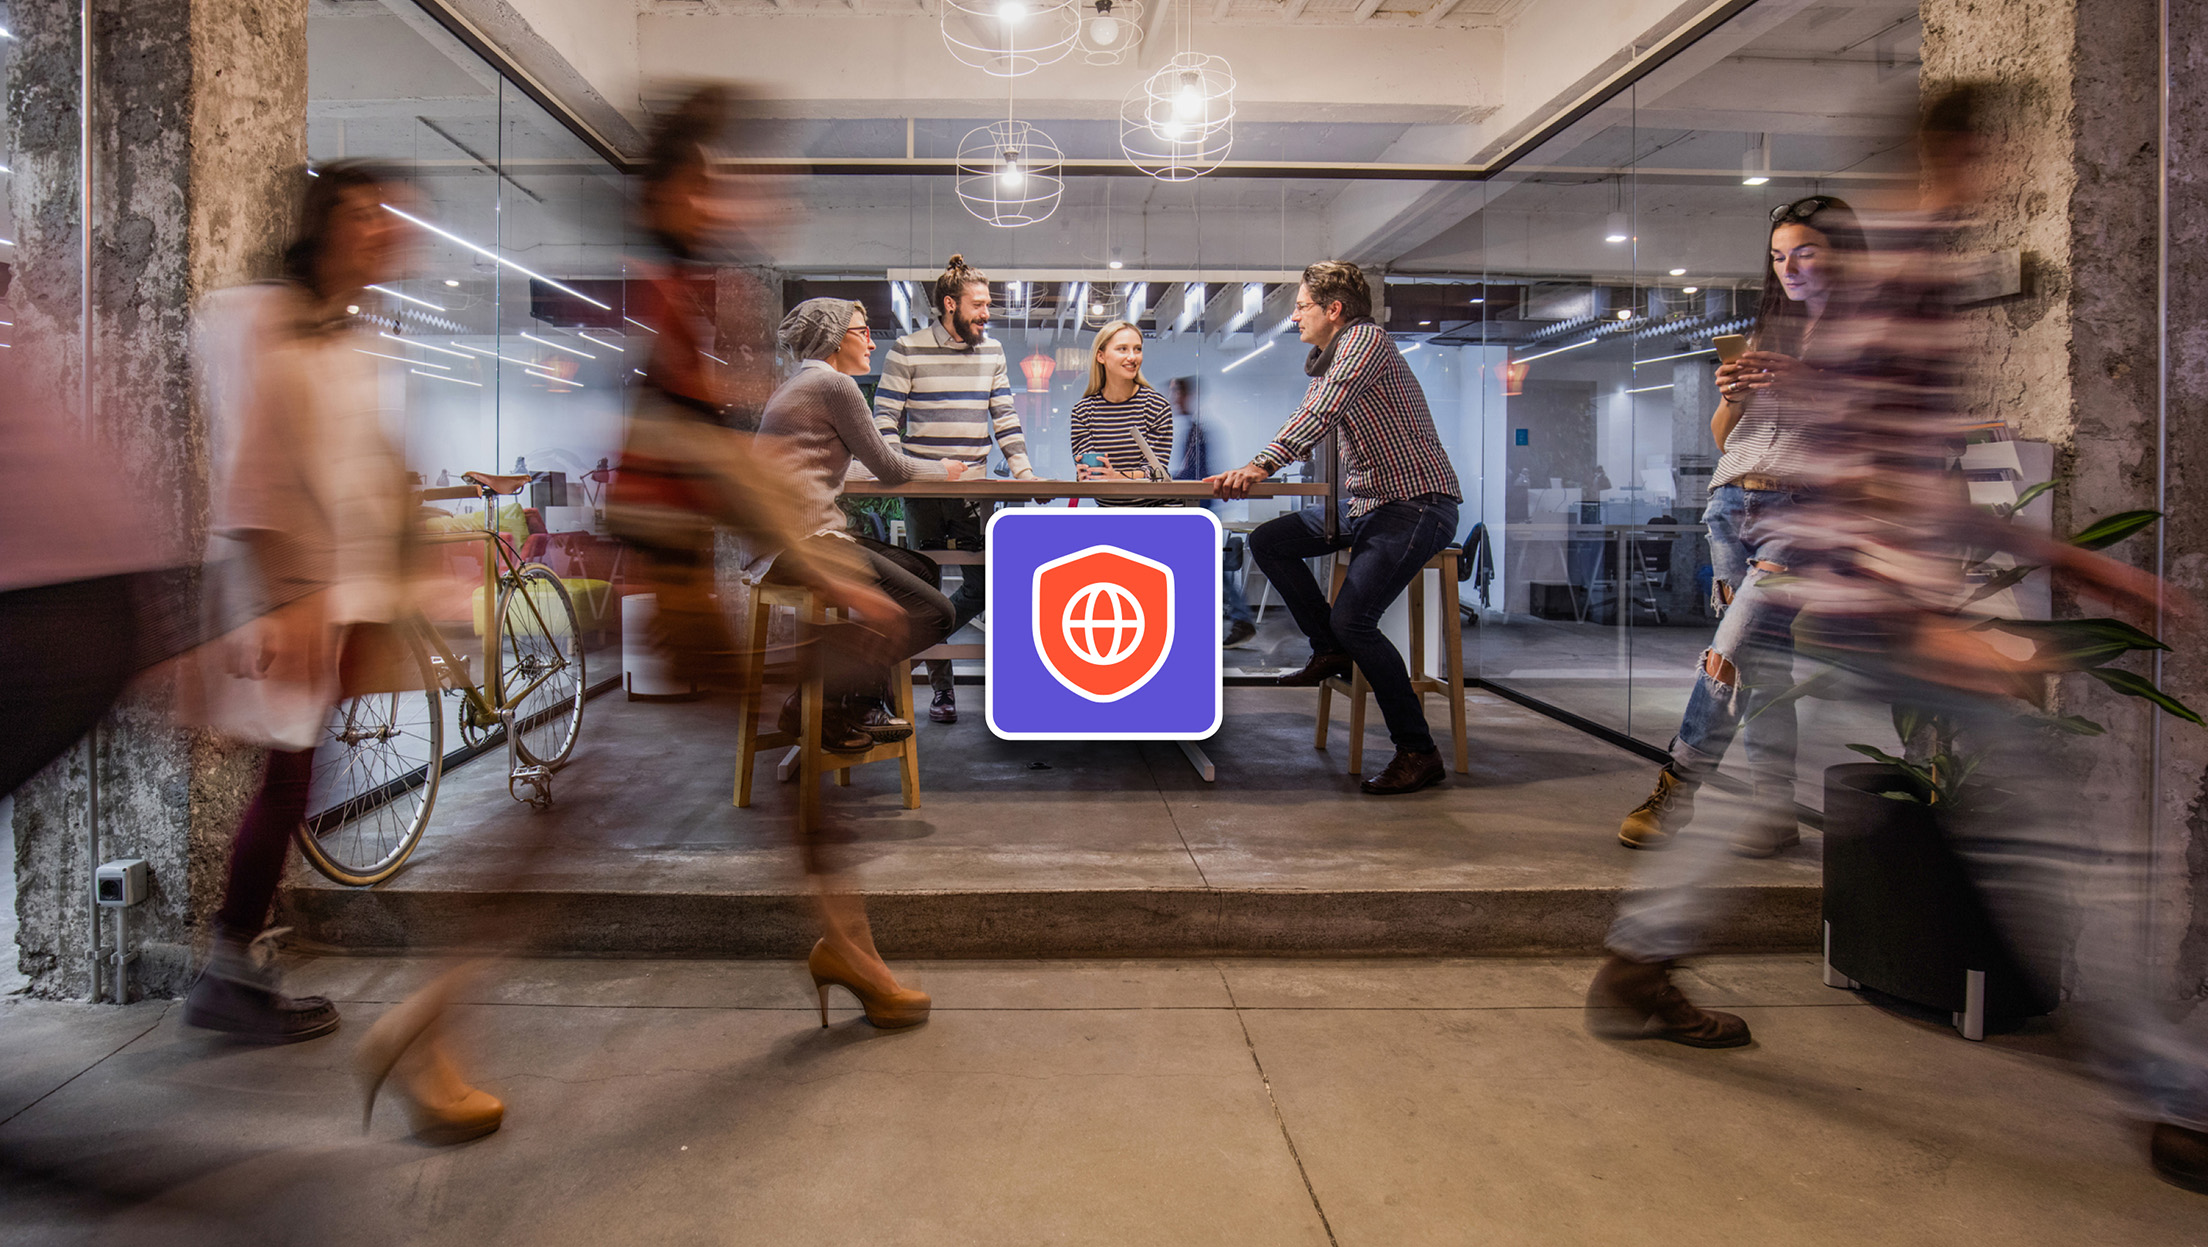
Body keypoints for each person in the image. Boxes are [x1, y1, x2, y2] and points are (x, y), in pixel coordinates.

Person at [1584, 84, 2208, 1196]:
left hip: (1835, 587)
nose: (1999, 175)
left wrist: (2084, 564)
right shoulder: (1899, 291)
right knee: (2058, 851)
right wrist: (1936, 618)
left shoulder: (1882, 297)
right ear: (1957, 158)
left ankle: (1641, 955)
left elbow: (1885, 470)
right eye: (1989, 155)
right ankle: (2171, 1089)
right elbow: (1863, 476)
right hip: (1877, 608)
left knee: (1745, 795)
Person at [611, 87, 932, 1036]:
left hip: (686, 569)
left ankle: (849, 940)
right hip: (669, 576)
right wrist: (820, 565)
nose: (735, 203)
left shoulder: (689, 297)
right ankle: (430, 1013)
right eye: (714, 184)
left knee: (801, 804)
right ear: (673, 190)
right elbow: (709, 460)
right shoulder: (669, 300)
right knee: (558, 834)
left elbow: (716, 455)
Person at [182, 161, 418, 1048]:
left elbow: (360, 468)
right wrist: (284, 600)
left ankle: (234, 967)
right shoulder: (270, 322)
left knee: (293, 774)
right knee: (286, 778)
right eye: (366, 215)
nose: (385, 231)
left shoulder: (352, 336)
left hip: (328, 594)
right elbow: (256, 472)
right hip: (292, 594)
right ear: (323, 223)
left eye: (390, 217)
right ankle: (227, 971)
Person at [1617, 195, 1867, 857]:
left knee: (1729, 650)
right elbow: (1728, 435)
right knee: (1762, 668)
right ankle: (1775, 809)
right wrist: (1734, 398)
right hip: (1732, 506)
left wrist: (1810, 380)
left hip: (1805, 512)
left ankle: (1680, 784)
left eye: (1806, 251)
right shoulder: (1772, 334)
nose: (1791, 267)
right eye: (1780, 256)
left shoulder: (1868, 335)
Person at [1210, 260, 1463, 795]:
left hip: (1415, 504)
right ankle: (1327, 647)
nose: (1296, 315)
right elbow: (1318, 401)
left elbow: (1320, 409)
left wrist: (1261, 464)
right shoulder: (1337, 353)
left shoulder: (1364, 341)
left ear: (1334, 309)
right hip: (1368, 504)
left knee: (1357, 622)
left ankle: (1418, 751)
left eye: (1302, 306)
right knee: (1269, 541)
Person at [752, 296, 961, 748]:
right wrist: (946, 469)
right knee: (936, 611)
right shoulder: (835, 386)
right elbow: (892, 469)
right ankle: (827, 698)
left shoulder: (798, 386)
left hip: (783, 542)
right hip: (802, 545)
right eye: (862, 331)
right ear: (833, 338)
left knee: (921, 570)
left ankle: (854, 701)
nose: (871, 341)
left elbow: (841, 465)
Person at [873, 253, 1041, 725]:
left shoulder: (992, 353)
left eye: (989, 305)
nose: (988, 313)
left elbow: (1005, 419)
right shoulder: (906, 349)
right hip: (923, 491)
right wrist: (911, 469)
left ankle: (913, 642)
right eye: (980, 304)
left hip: (975, 491)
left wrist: (1025, 474)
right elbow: (883, 423)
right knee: (922, 587)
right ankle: (942, 693)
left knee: (983, 588)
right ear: (950, 304)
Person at [1168, 375, 1258, 649]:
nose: (1173, 400)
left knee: (1207, 566)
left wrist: (1166, 481)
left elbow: (1195, 473)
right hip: (1197, 506)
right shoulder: (1195, 429)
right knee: (1205, 566)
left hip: (1199, 506)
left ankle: (1240, 618)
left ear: (1187, 395)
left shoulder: (1199, 431)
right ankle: (1235, 618)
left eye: (1176, 394)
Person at [1069, 320, 1173, 507]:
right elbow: (1092, 470)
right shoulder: (1082, 412)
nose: (1132, 357)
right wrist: (1085, 474)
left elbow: (1156, 472)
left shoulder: (1156, 406)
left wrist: (1115, 477)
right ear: (1101, 356)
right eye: (1122, 349)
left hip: (1157, 514)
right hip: (1110, 513)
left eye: (1137, 349)